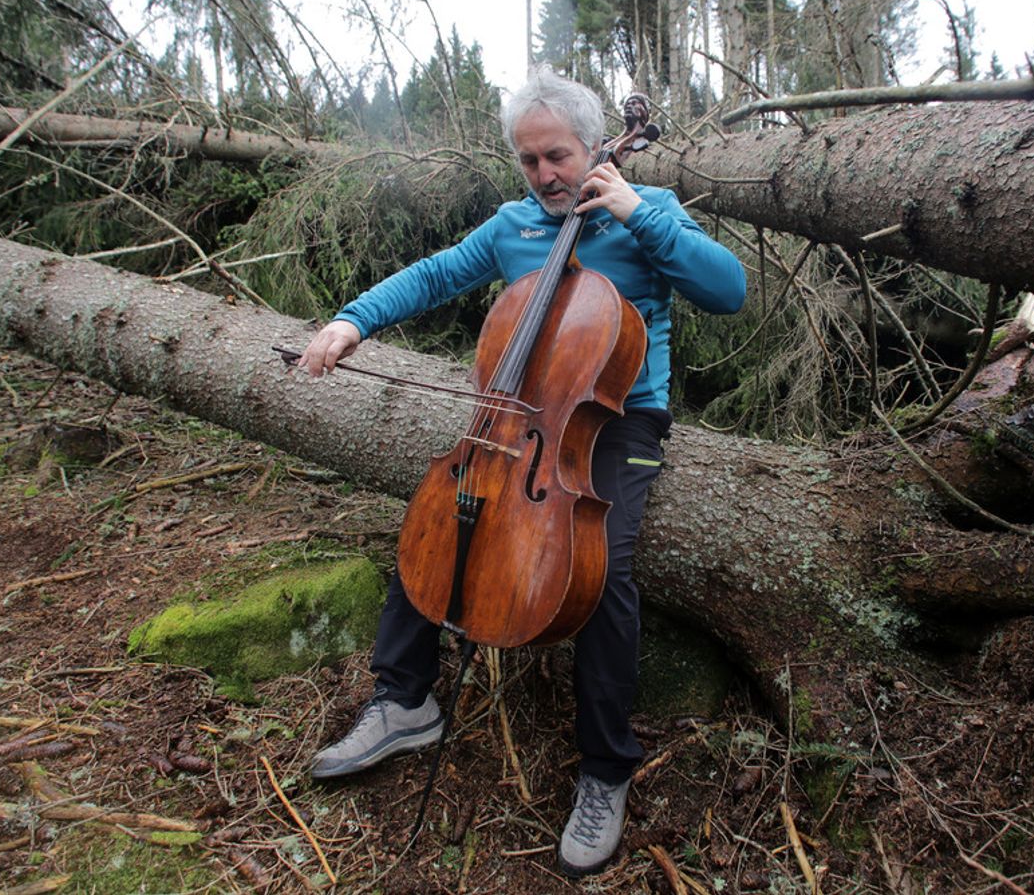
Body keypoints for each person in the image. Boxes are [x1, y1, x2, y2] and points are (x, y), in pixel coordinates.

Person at [299, 67, 745, 877]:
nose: (545, 176)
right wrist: (350, 320)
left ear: (591, 148)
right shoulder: (513, 225)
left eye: (558, 157)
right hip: (520, 412)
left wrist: (640, 215)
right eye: (529, 160)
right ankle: (405, 700)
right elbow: (435, 275)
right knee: (440, 510)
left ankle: (606, 768)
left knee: (604, 569)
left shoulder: (648, 213)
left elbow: (729, 290)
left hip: (617, 417)